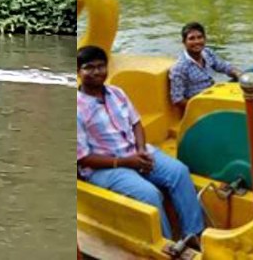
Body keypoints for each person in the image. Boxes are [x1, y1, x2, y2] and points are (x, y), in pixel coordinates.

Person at [77, 45, 205, 247]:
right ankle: (167, 246)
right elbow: (82, 157)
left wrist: (141, 150)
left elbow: (136, 123)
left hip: (134, 152)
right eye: (89, 67)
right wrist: (126, 162)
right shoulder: (76, 108)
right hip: (105, 167)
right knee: (149, 194)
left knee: (179, 172)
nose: (96, 72)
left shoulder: (116, 93)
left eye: (101, 66)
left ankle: (194, 234)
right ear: (78, 72)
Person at [169, 22, 253, 109]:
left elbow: (225, 67)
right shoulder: (180, 67)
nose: (197, 42)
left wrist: (239, 75)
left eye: (200, 37)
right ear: (184, 42)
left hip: (216, 93)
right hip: (203, 104)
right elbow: (177, 100)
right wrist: (199, 108)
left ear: (205, 39)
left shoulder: (207, 53)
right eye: (192, 39)